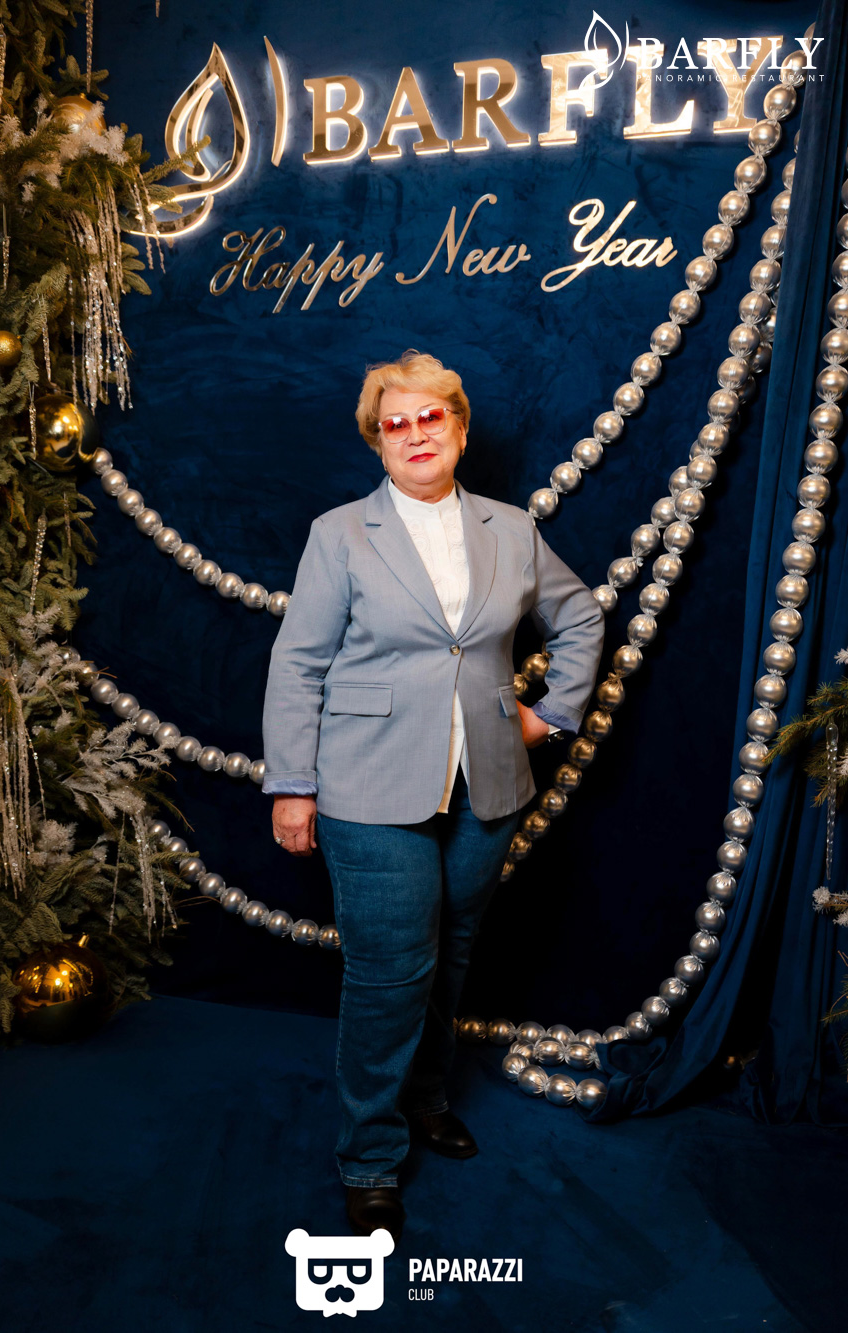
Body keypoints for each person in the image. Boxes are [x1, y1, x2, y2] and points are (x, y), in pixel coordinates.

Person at [261, 350, 604, 1241]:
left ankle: (426, 1099)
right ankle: (369, 1155)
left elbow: (579, 616)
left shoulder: (510, 529)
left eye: (430, 417)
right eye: (395, 423)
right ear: (377, 441)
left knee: (450, 956)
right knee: (392, 971)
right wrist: (292, 785)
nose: (415, 434)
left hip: (488, 782)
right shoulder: (341, 533)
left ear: (457, 426)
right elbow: (297, 665)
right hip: (367, 783)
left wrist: (547, 715)